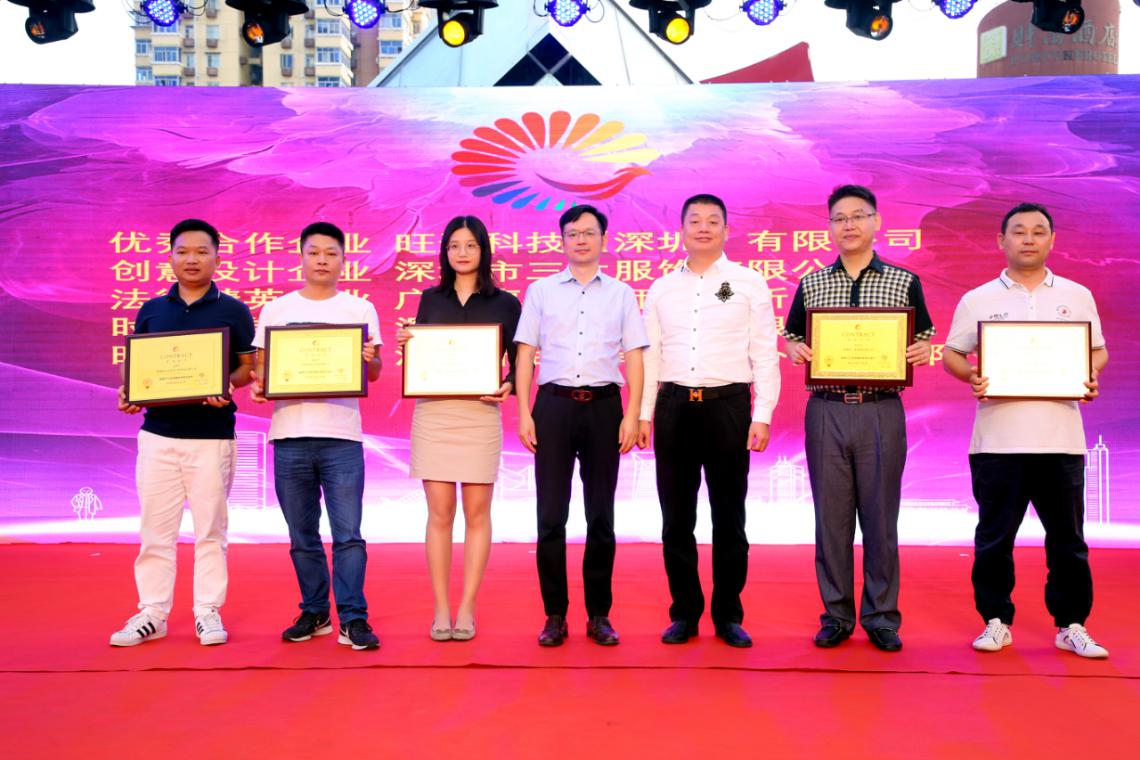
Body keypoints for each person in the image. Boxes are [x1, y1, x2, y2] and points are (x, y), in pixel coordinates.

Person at [943, 202, 1109, 659]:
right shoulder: (978, 299)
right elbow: (953, 353)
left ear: (1052, 240)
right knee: (995, 539)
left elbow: (1097, 350)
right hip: (998, 441)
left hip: (1061, 439)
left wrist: (1089, 374)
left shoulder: (1077, 295)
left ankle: (1071, 625)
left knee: (1068, 541)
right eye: (1019, 231)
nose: (1029, 239)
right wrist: (972, 375)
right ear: (1002, 241)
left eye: (1039, 231)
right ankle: (996, 621)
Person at [783, 185, 934, 652]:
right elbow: (792, 335)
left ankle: (882, 617)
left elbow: (924, 336)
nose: (848, 225)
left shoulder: (904, 281)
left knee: (880, 518)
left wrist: (923, 349)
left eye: (858, 216)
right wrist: (793, 349)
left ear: (876, 222)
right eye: (839, 218)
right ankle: (836, 616)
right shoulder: (811, 284)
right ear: (829, 227)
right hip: (826, 410)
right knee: (830, 520)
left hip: (880, 410)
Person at [637, 193, 780, 649]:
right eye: (694, 221)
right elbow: (651, 357)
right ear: (681, 230)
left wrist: (762, 415)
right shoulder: (662, 288)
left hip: (728, 407)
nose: (703, 228)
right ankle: (684, 612)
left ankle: (728, 614)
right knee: (676, 519)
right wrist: (643, 414)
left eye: (712, 221)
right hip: (674, 407)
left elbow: (764, 352)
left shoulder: (749, 282)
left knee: (729, 517)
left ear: (726, 230)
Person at [110, 218, 255, 647]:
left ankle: (207, 611)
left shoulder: (234, 310)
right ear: (170, 257)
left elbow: (247, 367)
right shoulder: (153, 309)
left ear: (217, 257)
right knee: (156, 530)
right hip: (158, 435)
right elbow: (139, 366)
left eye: (201, 251)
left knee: (210, 530)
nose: (192, 259)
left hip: (211, 436)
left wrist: (227, 384)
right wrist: (129, 391)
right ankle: (152, 613)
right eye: (183, 251)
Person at [515, 204, 648, 647]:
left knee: (601, 516)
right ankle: (554, 615)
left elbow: (634, 356)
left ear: (603, 240)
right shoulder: (541, 291)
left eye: (589, 232)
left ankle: (598, 615)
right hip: (552, 407)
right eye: (573, 233)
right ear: (562, 240)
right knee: (550, 516)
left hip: (604, 408)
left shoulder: (622, 294)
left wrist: (632, 413)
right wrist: (524, 412)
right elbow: (525, 354)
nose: (581, 240)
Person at [250, 221, 383, 651]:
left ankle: (353, 617)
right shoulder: (276, 310)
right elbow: (262, 370)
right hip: (290, 436)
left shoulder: (360, 309)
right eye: (314, 252)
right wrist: (260, 384)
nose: (322, 260)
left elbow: (374, 372)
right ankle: (315, 611)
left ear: (344, 259)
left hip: (341, 437)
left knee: (349, 534)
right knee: (301, 535)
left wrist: (367, 359)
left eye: (331, 253)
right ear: (302, 257)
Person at [395, 216, 521, 642]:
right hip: (435, 414)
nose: (462, 253)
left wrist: (509, 384)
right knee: (439, 514)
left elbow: (521, 361)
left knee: (478, 513)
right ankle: (441, 609)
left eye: (470, 245)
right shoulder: (430, 298)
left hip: (480, 416)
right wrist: (408, 344)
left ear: (484, 250)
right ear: (444, 252)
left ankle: (467, 606)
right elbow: (424, 359)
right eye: (454, 246)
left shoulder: (506, 303)